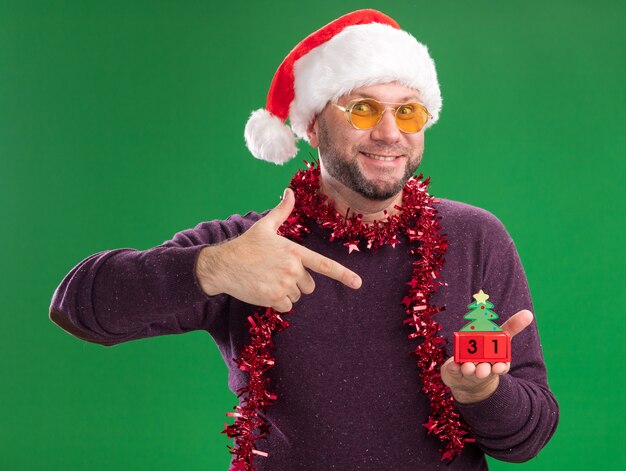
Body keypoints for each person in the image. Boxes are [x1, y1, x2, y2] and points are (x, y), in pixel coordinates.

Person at [49, 9, 559, 470]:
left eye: (407, 111)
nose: (389, 133)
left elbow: (527, 439)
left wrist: (484, 392)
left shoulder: (474, 237)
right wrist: (212, 268)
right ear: (313, 127)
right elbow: (77, 306)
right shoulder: (248, 245)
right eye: (362, 109)